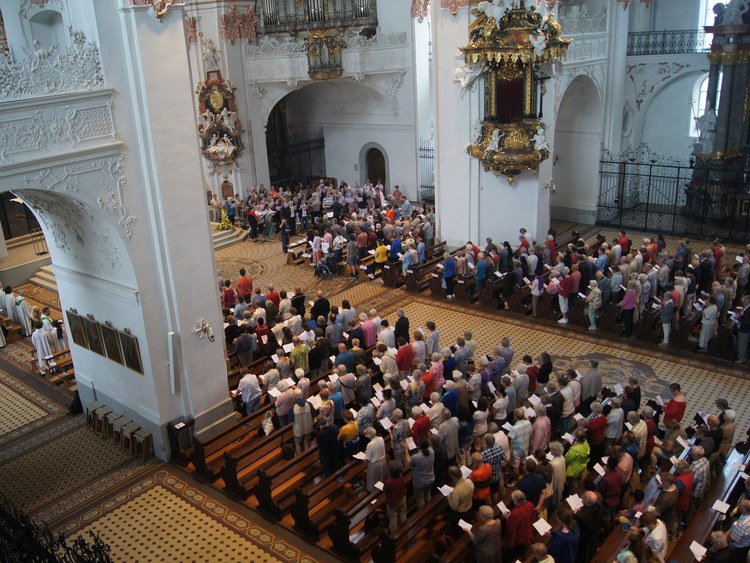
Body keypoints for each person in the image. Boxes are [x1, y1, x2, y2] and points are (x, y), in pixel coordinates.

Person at [505, 490, 536, 561]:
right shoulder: (530, 504)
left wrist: (510, 545)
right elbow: (533, 518)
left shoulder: (514, 514)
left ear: (515, 501)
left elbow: (511, 530)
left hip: (519, 541)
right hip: (528, 533)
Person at [410, 438, 435, 508]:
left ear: (419, 446)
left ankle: (423, 514)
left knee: (420, 500)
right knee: (428, 495)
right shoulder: (431, 451)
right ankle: (429, 510)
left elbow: (409, 463)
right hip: (430, 478)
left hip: (420, 481)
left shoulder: (416, 457)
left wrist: (406, 450)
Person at [383, 462, 407, 533]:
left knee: (393, 518)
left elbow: (385, 490)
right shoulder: (401, 478)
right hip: (402, 498)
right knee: (403, 514)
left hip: (393, 502)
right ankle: (405, 529)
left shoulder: (388, 482)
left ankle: (395, 534)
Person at [364, 426, 387, 492]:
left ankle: (375, 491)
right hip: (383, 461)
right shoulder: (381, 438)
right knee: (382, 476)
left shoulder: (370, 445)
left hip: (375, 464)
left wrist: (364, 457)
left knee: (374, 479)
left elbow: (368, 458)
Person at [292, 389, 313, 454]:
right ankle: (306, 456)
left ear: (295, 397)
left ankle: (299, 457)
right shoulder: (309, 404)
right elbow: (314, 414)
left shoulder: (293, 407)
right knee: (306, 441)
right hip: (307, 427)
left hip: (298, 429)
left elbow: (290, 420)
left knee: (297, 443)